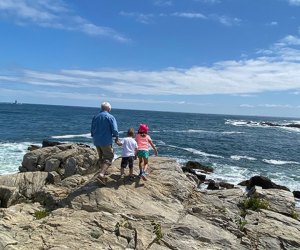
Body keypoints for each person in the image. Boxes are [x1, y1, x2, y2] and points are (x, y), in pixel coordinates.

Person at [91, 102, 119, 184]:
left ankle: (101, 173)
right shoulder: (110, 117)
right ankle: (101, 174)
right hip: (105, 140)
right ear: (109, 109)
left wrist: (94, 135)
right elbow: (115, 130)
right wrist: (116, 138)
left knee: (100, 157)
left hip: (96, 140)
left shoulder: (95, 117)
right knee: (109, 157)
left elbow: (92, 129)